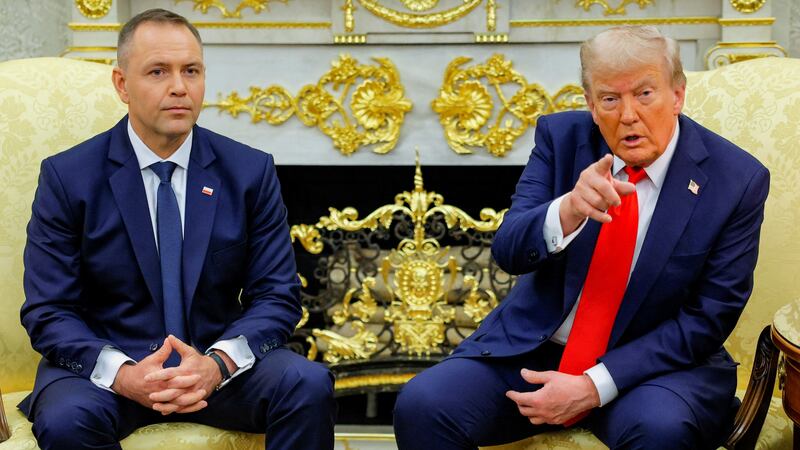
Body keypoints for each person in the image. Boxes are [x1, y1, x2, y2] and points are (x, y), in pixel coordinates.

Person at [394, 25, 770, 450]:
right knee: (422, 404)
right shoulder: (561, 140)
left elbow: (707, 318)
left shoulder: (736, 179)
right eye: (610, 99)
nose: (628, 115)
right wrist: (569, 209)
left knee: (660, 432)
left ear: (677, 95)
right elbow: (509, 250)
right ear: (591, 104)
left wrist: (593, 385)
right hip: (538, 350)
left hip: (652, 368)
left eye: (645, 94)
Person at [18, 8, 335, 450]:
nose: (179, 87)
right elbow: (49, 310)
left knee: (307, 381)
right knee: (66, 419)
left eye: (191, 70)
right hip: (109, 373)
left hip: (215, 369)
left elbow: (277, 296)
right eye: (158, 71)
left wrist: (217, 364)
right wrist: (126, 375)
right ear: (122, 85)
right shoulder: (69, 178)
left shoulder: (248, 172)